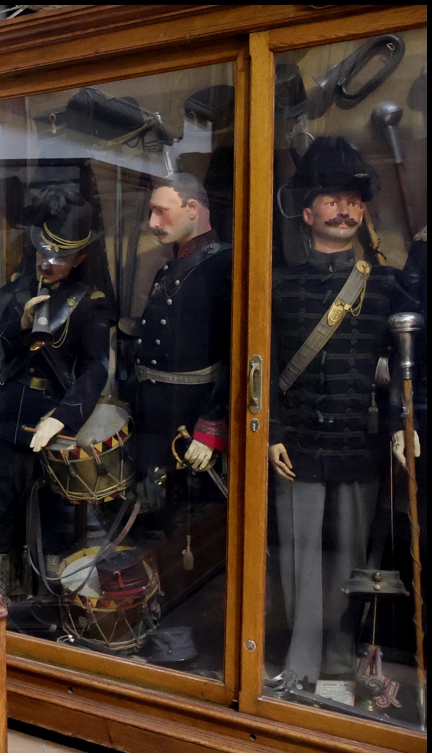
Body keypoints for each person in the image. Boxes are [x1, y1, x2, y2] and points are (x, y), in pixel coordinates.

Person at [267, 136, 419, 691]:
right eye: (333, 200)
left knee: (352, 560)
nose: (346, 210)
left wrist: (401, 425)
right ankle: (302, 660)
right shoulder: (277, 284)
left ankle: (338, 657)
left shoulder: (385, 284)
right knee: (299, 556)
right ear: (308, 213)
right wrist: (271, 432)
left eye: (354, 201)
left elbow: (404, 365)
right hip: (297, 443)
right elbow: (263, 364)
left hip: (358, 441)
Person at [0, 184, 112, 594]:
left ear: (79, 259)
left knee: (56, 516)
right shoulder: (14, 291)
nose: (48, 263)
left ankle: (54, 598)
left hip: (54, 420)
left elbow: (96, 369)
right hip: (6, 416)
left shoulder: (89, 302)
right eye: (43, 252)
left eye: (60, 257)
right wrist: (19, 324)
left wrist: (63, 417)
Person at [127, 173, 232, 516]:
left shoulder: (223, 264)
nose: (152, 222)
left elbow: (238, 354)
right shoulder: (169, 269)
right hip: (154, 416)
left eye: (161, 211)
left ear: (192, 209)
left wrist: (211, 426)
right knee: (153, 517)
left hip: (191, 416)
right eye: (151, 212)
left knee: (192, 519)